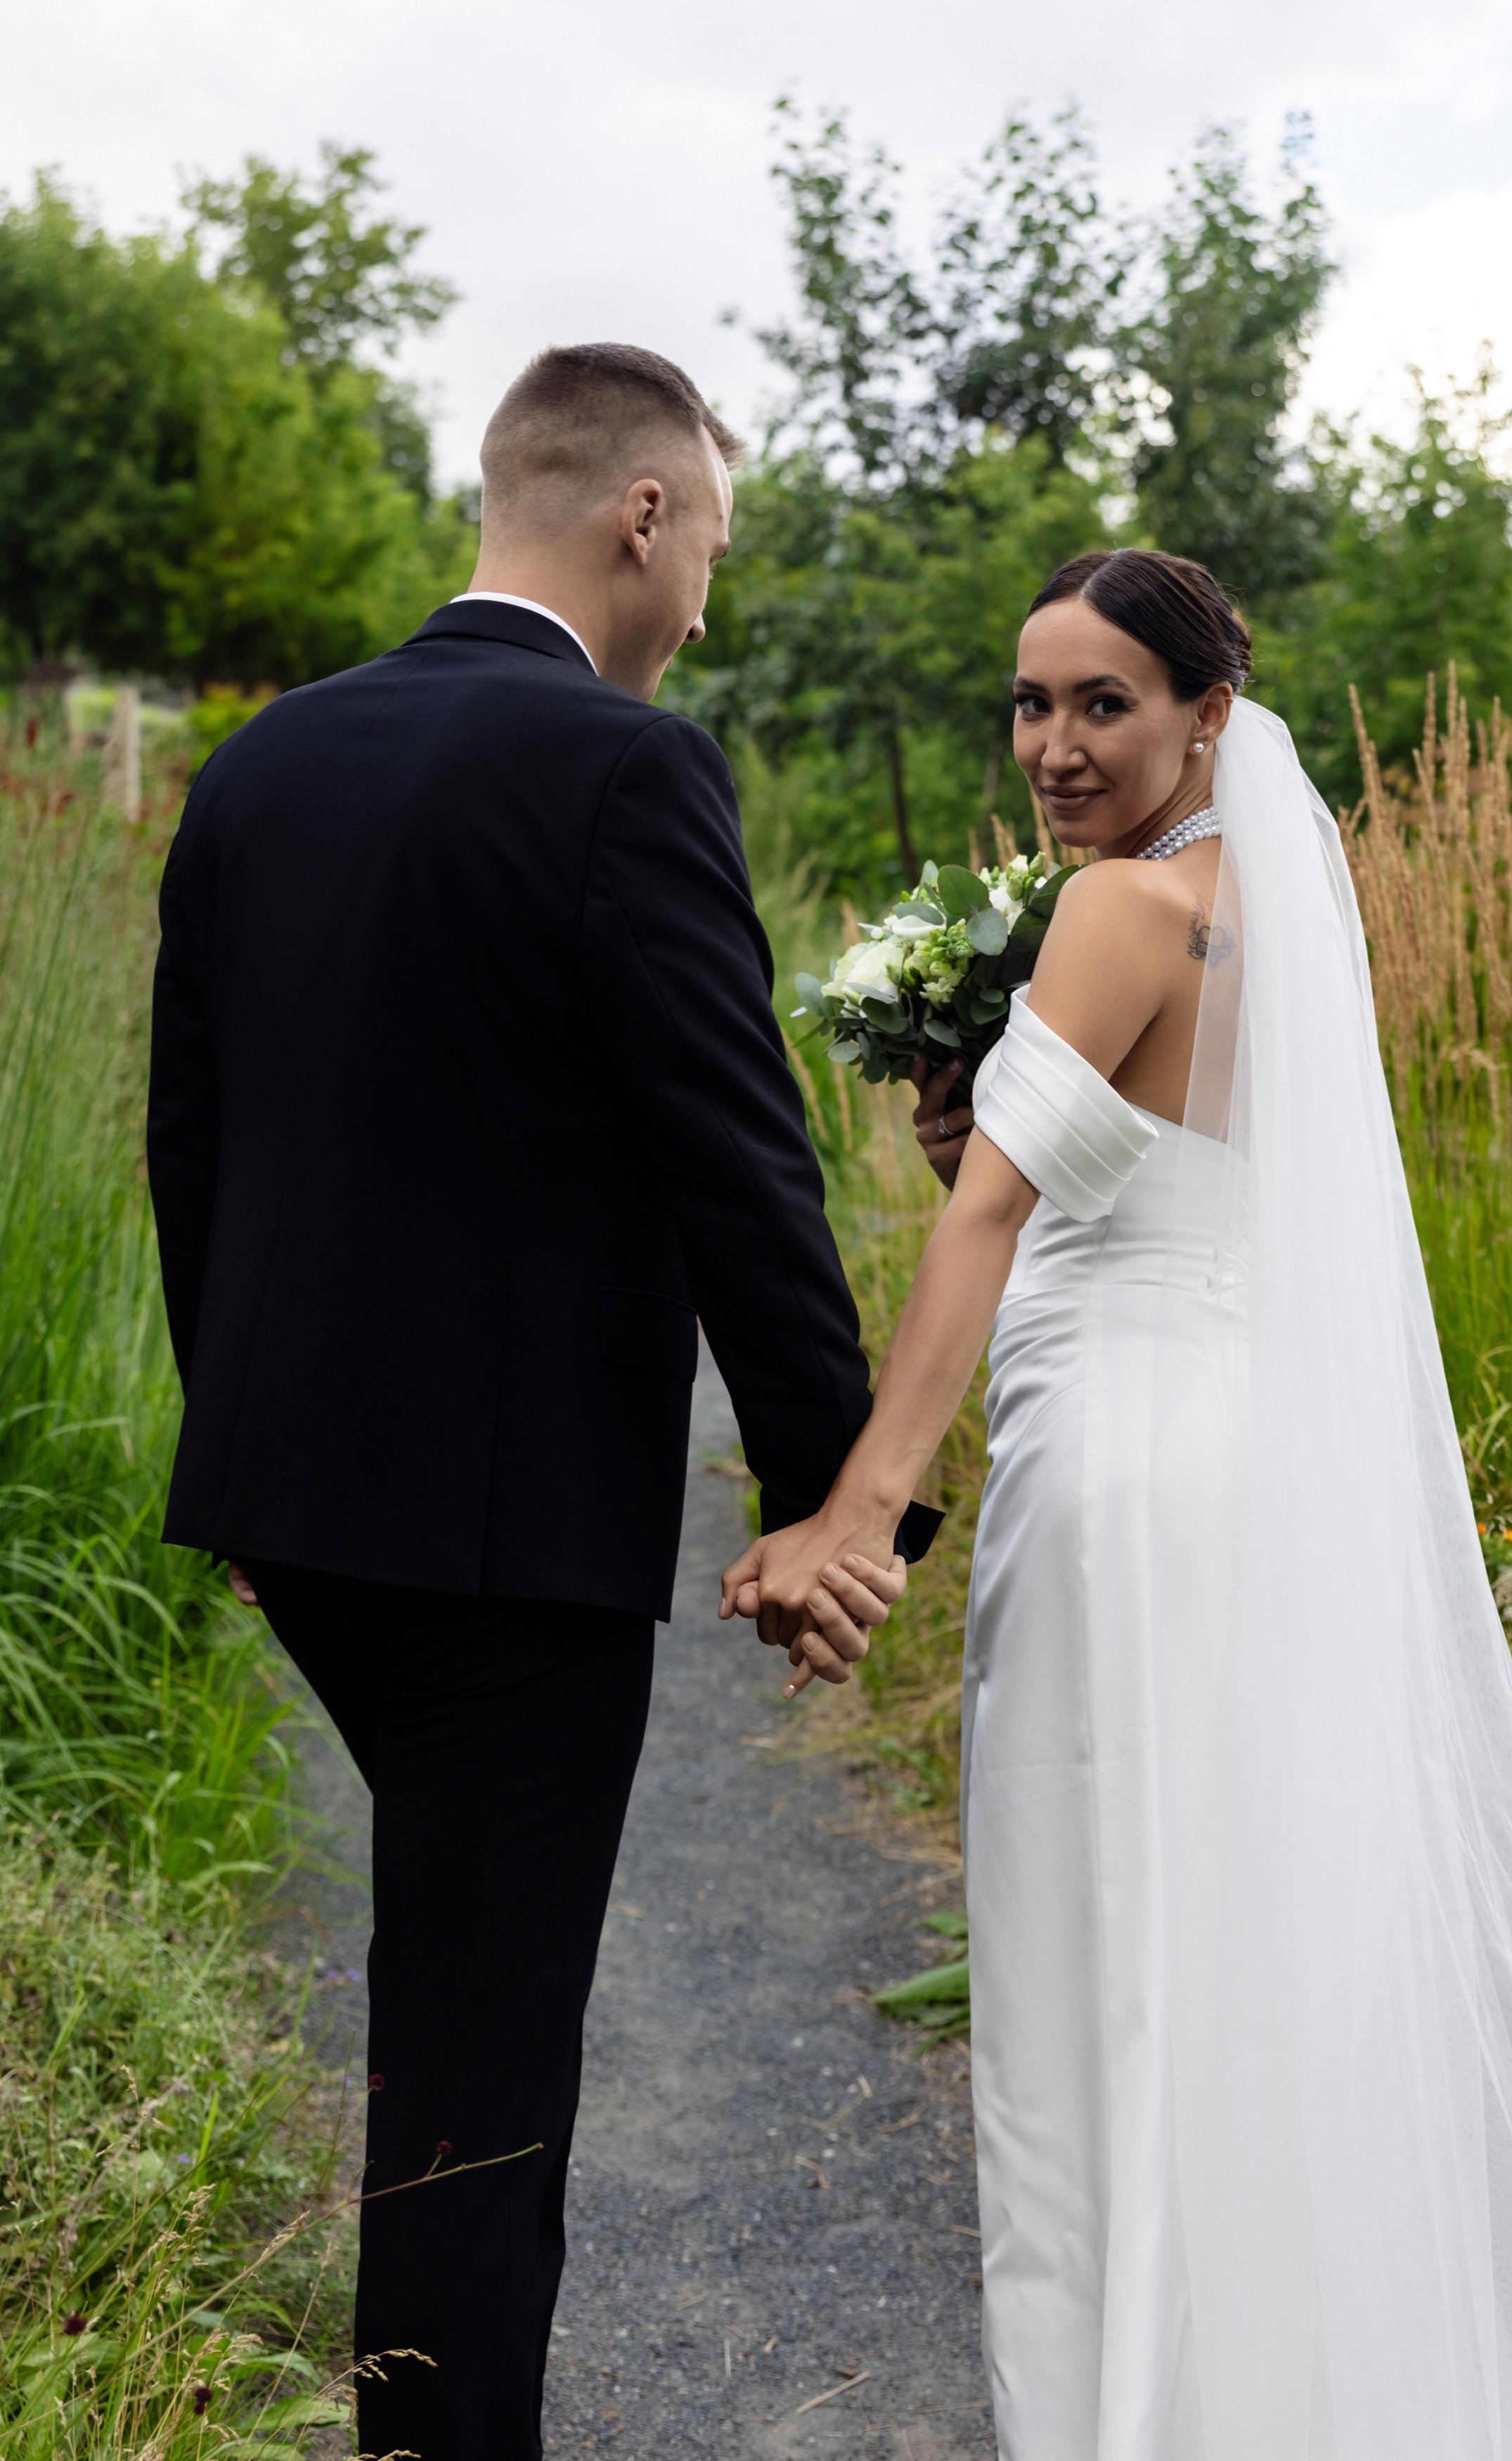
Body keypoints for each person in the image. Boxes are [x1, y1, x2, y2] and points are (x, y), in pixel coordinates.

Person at [725, 548, 1512, 2460]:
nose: (1055, 743)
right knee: (1235, 1958)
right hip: (1249, 1472)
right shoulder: (1262, 912)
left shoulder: (1109, 908)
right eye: (1032, 702)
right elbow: (1147, 1161)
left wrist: (865, 1513)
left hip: (1113, 1479)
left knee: (1105, 1988)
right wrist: (990, 1099)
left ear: (1207, 717)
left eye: (1104, 703)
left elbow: (994, 1219)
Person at [146, 341, 937, 2461]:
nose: (707, 611)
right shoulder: (624, 768)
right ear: (643, 516)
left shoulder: (264, 763)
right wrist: (839, 1493)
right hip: (505, 1543)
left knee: (453, 1994)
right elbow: (733, 1151)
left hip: (305, 1504)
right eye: (716, 556)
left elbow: (192, 1149)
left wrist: (239, 1465)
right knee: (484, 2070)